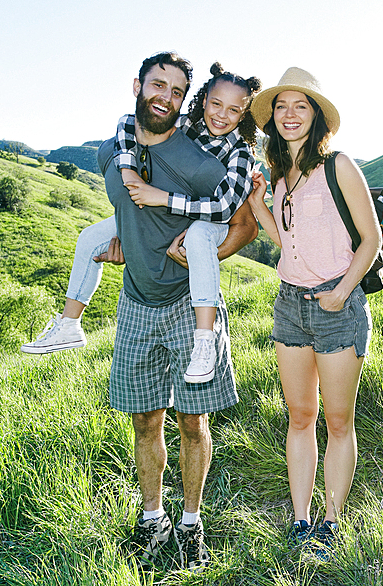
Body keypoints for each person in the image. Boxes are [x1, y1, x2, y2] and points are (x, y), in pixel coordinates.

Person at [98, 52, 258, 570]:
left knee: (193, 423)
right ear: (139, 86)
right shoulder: (111, 150)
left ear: (183, 99)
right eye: (157, 86)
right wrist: (124, 240)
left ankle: (190, 523)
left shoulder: (201, 161)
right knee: (146, 421)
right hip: (136, 305)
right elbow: (125, 211)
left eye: (175, 90)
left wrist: (202, 253)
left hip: (190, 307)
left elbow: (243, 224)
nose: (164, 97)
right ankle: (151, 519)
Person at [21, 64, 261, 387]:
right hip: (162, 237)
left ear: (244, 114)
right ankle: (69, 324)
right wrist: (128, 171)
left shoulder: (239, 151)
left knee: (202, 233)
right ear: (204, 100)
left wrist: (161, 198)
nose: (221, 115)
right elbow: (127, 123)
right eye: (216, 104)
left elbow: (227, 210)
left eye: (234, 110)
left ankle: (204, 338)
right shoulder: (185, 125)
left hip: (206, 224)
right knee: (90, 238)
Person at [246, 67, 380, 556]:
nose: (289, 115)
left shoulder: (339, 165)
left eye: (300, 106)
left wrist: (342, 292)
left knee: (338, 421)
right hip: (289, 306)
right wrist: (261, 205)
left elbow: (370, 241)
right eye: (281, 106)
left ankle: (331, 521)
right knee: (300, 417)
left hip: (336, 305)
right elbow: (287, 242)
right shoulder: (282, 175)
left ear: (317, 116)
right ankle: (301, 519)